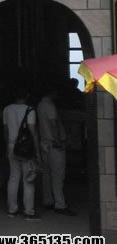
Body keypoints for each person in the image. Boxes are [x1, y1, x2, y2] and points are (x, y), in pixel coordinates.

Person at [3, 87, 40, 220]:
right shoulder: (30, 110)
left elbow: (6, 131)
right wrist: (37, 150)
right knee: (28, 179)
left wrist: (7, 147)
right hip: (26, 149)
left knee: (13, 178)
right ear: (27, 95)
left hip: (11, 146)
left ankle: (12, 210)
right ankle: (29, 212)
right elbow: (32, 130)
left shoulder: (7, 109)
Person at [38, 88, 76, 216]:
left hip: (44, 143)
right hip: (54, 144)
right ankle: (60, 204)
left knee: (46, 174)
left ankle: (48, 200)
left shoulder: (40, 105)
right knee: (58, 176)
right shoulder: (50, 106)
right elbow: (53, 125)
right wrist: (58, 141)